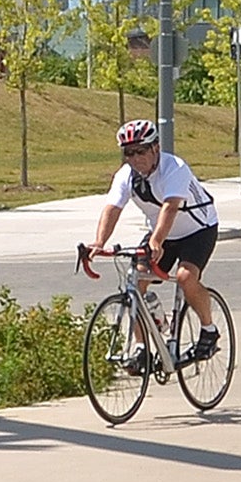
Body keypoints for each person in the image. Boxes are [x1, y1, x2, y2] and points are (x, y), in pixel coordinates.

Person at [77, 117, 221, 365]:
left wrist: (156, 242)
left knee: (186, 277)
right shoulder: (126, 175)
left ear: (155, 148)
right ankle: (142, 347)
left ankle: (209, 330)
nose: (135, 159)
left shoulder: (174, 168)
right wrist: (99, 242)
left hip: (198, 230)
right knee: (137, 280)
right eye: (128, 153)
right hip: (162, 234)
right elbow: (112, 208)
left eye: (140, 151)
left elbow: (170, 208)